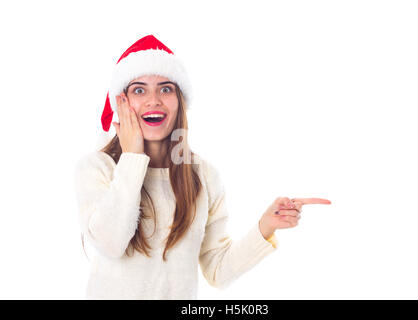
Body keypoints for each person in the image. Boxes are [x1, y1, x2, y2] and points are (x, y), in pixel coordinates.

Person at [73, 34, 332, 299]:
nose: (154, 100)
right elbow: (110, 242)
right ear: (122, 102)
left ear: (180, 101)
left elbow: (218, 270)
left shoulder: (203, 176)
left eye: (166, 88)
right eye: (139, 89)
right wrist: (133, 157)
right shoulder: (97, 168)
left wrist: (266, 226)